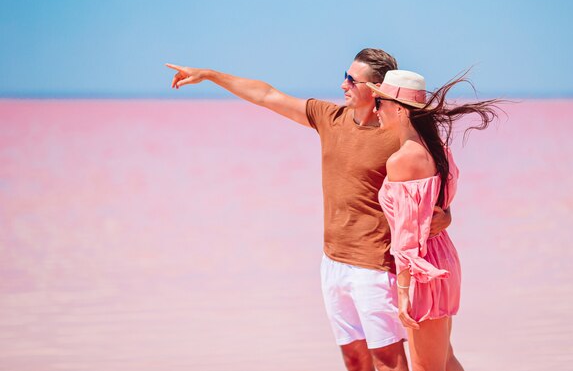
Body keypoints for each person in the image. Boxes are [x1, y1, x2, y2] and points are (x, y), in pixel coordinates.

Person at [165, 49, 454, 371]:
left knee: (389, 361)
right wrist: (210, 75)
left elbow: (432, 188)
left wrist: (445, 215)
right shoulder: (329, 118)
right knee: (355, 360)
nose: (343, 84)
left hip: (375, 265)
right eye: (345, 76)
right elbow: (266, 94)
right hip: (332, 262)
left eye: (351, 80)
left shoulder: (397, 137)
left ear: (375, 91)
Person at [368, 69, 501, 371]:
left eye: (380, 103)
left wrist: (403, 294)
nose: (375, 110)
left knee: (429, 367)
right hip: (442, 259)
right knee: (445, 360)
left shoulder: (403, 160)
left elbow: (406, 238)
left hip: (423, 272)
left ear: (399, 109)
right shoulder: (437, 149)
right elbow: (442, 205)